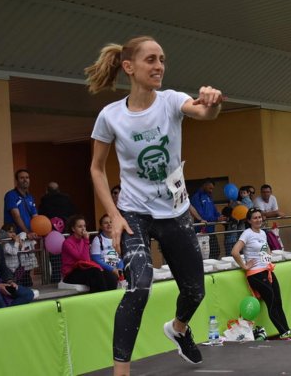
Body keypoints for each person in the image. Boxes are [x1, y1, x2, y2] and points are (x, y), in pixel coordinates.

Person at [87, 35, 223, 372]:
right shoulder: (110, 116)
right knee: (140, 284)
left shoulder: (171, 101)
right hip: (135, 212)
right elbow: (96, 168)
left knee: (195, 292)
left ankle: (178, 329)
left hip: (174, 211)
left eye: (162, 59)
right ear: (129, 67)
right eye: (151, 59)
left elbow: (204, 112)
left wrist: (214, 101)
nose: (159, 66)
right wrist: (114, 215)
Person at [231, 208, 291, 341]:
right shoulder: (247, 233)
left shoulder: (263, 233)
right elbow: (235, 252)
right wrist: (244, 266)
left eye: (259, 217)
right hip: (255, 273)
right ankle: (284, 333)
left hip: (267, 270)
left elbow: (266, 249)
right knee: (271, 301)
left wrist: (268, 257)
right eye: (255, 218)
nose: (258, 220)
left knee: (278, 301)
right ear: (249, 221)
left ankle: (288, 331)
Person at [61, 215, 117, 293]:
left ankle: (111, 298)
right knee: (95, 273)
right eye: (80, 226)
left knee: (110, 276)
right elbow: (83, 259)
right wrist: (86, 240)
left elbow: (86, 261)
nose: (83, 228)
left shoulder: (83, 240)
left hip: (82, 269)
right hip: (70, 274)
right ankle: (101, 297)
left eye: (84, 226)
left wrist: (85, 241)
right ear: (73, 229)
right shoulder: (67, 243)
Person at [190, 179, 226, 259]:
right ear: (204, 185)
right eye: (210, 188)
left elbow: (214, 210)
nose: (211, 190)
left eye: (212, 188)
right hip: (202, 231)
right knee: (204, 254)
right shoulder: (196, 197)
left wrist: (221, 216)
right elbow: (201, 215)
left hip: (211, 230)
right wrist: (216, 218)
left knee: (215, 251)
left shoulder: (209, 196)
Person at [3, 169, 38, 238]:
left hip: (29, 236)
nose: (25, 180)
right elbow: (16, 216)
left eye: (27, 177)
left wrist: (39, 230)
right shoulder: (11, 195)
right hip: (14, 236)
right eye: (22, 178)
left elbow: (35, 217)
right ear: (17, 180)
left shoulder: (30, 197)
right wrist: (27, 232)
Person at [90, 214, 124, 282]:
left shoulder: (118, 238)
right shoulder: (97, 239)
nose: (109, 224)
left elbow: (120, 257)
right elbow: (96, 259)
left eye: (111, 222)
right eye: (106, 223)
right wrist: (112, 269)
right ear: (101, 226)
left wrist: (120, 268)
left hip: (117, 268)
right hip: (104, 269)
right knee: (112, 278)